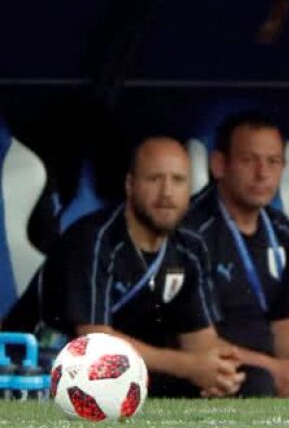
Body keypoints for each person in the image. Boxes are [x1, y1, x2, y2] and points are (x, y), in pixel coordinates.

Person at [8, 137, 244, 398]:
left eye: (178, 180)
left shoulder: (190, 247)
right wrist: (189, 366)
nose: (167, 192)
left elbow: (201, 343)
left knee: (251, 382)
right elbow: (95, 342)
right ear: (130, 184)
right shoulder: (94, 239)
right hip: (34, 366)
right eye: (154, 179)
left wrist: (217, 371)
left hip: (129, 368)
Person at [185, 112, 289, 398]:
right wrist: (275, 369)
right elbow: (196, 339)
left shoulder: (281, 229)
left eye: (273, 162)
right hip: (219, 368)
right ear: (219, 165)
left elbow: (287, 322)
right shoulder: (191, 231)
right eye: (249, 161)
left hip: (270, 366)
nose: (263, 173)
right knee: (260, 383)